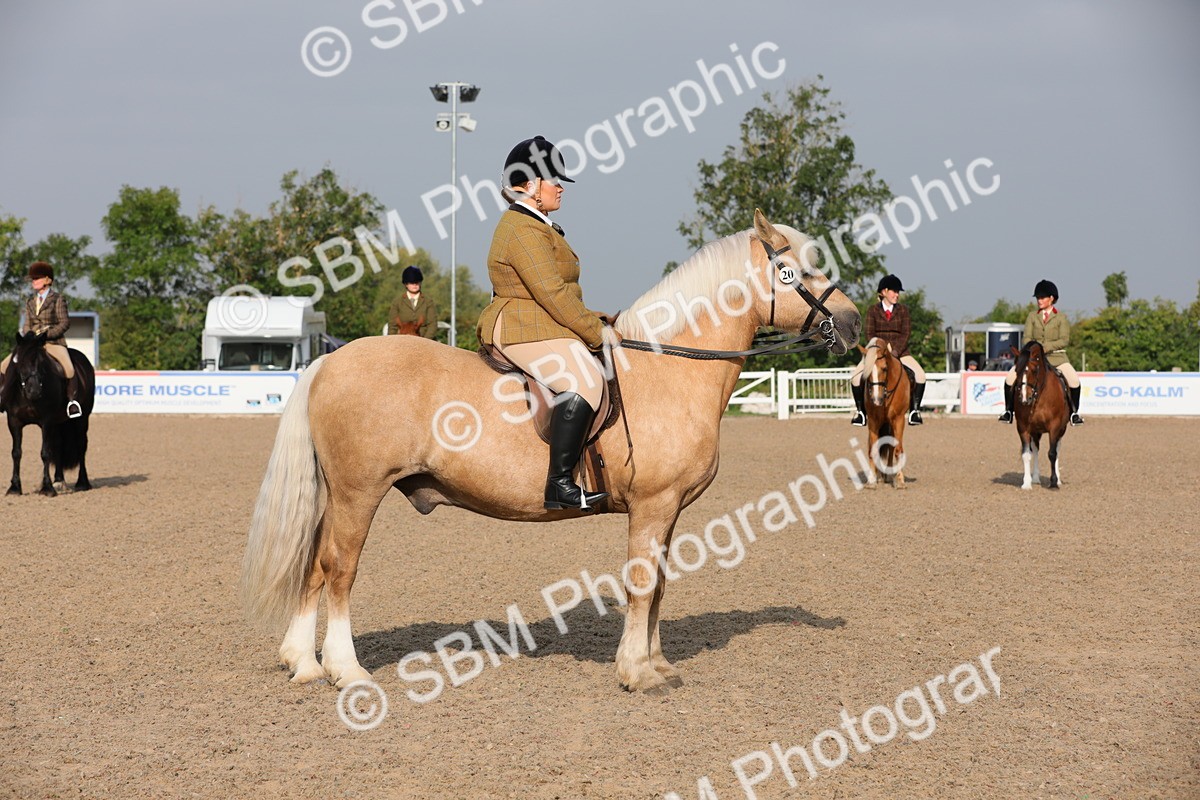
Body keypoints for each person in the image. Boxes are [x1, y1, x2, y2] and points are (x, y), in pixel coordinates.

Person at [476, 135, 615, 512]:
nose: (560, 188)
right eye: (553, 179)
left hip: (538, 320)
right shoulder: (522, 229)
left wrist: (600, 319)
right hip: (520, 323)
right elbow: (552, 292)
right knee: (584, 379)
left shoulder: (538, 225)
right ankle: (560, 484)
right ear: (530, 184)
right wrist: (595, 333)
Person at [0, 261, 82, 418]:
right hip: (32, 344)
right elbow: (26, 325)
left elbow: (64, 323)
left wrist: (46, 335)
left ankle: (72, 402)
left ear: (47, 280)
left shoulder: (57, 299)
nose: (33, 282)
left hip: (52, 342)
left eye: (37, 279)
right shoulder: (30, 302)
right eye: (33, 279)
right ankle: (4, 397)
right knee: (4, 366)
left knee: (69, 367)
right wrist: (29, 337)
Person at [998, 279, 1084, 425]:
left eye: (1042, 297)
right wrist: (1035, 350)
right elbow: (1027, 338)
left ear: (1052, 298)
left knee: (1074, 381)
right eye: (1038, 297)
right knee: (1009, 379)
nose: (1039, 300)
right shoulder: (1032, 316)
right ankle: (1008, 411)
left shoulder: (1061, 318)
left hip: (1057, 358)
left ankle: (1074, 413)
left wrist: (1044, 347)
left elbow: (1064, 340)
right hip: (1033, 358)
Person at [849, 275, 927, 426]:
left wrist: (895, 351)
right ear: (884, 292)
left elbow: (906, 333)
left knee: (921, 375)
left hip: (900, 352)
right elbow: (870, 334)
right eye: (894, 291)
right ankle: (860, 412)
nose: (897, 294)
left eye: (898, 292)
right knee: (855, 378)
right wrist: (878, 350)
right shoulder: (872, 311)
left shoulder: (903, 310)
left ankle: (915, 411)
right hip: (877, 353)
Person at [388, 265, 439, 338]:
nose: (415, 284)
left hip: (424, 339)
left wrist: (425, 341)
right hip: (402, 339)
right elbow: (392, 326)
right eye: (411, 282)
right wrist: (393, 342)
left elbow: (432, 325)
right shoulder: (397, 302)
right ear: (406, 284)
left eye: (417, 282)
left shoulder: (428, 302)